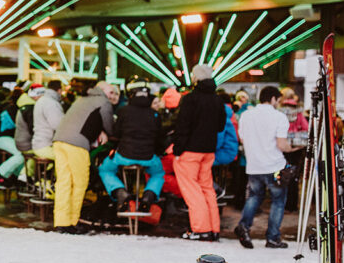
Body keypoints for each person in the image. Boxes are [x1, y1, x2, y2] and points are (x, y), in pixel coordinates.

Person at [234, 86, 301, 249]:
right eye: (278, 100)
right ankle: (272, 237)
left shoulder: (246, 116)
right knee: (278, 201)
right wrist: (295, 147)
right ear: (272, 99)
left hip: (254, 165)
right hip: (275, 165)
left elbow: (242, 139)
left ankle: (244, 226)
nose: (278, 104)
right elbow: (282, 144)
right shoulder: (279, 117)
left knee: (254, 197)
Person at [52, 81, 115, 233]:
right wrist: (106, 132)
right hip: (77, 144)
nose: (114, 96)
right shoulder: (103, 102)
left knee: (64, 182)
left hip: (59, 141)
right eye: (112, 92)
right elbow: (110, 127)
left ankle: (61, 221)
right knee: (80, 182)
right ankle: (73, 221)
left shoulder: (82, 99)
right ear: (103, 91)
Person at [172, 64, 226, 241]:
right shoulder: (218, 100)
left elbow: (182, 126)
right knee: (207, 189)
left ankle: (201, 229)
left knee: (192, 190)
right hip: (208, 150)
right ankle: (214, 228)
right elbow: (220, 126)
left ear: (196, 78)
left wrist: (178, 149)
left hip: (189, 151)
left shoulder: (190, 99)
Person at [99, 77, 165, 212]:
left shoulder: (123, 111)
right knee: (158, 173)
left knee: (105, 169)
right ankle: (148, 196)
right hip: (148, 157)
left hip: (124, 155)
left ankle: (119, 191)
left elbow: (116, 135)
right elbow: (159, 139)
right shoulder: (155, 114)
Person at [0, 89, 23, 186]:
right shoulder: (15, 110)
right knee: (20, 154)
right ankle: (1, 174)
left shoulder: (7, 107)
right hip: (0, 137)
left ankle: (15, 176)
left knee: (21, 153)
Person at [31, 80, 64, 159]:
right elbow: (58, 125)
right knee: (65, 158)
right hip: (45, 145)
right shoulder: (51, 103)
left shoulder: (42, 100)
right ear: (59, 90)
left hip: (38, 143)